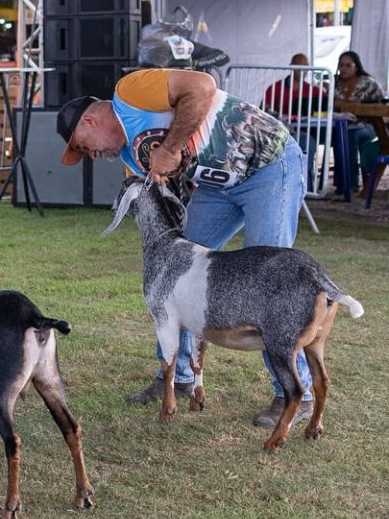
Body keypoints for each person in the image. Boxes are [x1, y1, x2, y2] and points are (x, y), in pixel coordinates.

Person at [56, 68, 314, 429]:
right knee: (174, 274)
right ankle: (177, 377)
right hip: (218, 187)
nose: (92, 155)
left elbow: (202, 86)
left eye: (83, 145)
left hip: (269, 166)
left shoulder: (130, 93)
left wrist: (171, 147)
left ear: (89, 120)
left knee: (269, 281)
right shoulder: (130, 157)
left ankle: (295, 394)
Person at [262, 53, 328, 192]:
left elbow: (326, 107)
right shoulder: (275, 88)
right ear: (291, 67)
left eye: (306, 66)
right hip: (284, 131)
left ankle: (304, 185)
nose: (303, 69)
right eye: (299, 65)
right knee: (307, 143)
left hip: (309, 129)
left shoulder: (314, 90)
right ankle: (298, 186)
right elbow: (263, 110)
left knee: (311, 142)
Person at [332, 50, 384, 194]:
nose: (343, 69)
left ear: (357, 66)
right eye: (341, 65)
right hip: (339, 124)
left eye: (348, 65)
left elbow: (381, 107)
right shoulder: (333, 83)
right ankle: (342, 182)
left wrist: (346, 104)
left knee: (349, 135)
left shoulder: (369, 84)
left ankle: (350, 184)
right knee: (340, 133)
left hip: (370, 125)